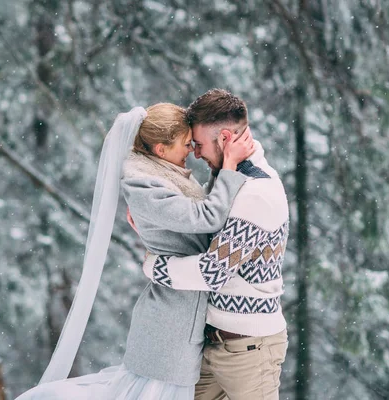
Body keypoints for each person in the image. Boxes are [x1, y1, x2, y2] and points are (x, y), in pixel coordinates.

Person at [15, 103, 254, 400]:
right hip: (168, 328)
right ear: (161, 150)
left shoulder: (167, 176)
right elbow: (207, 217)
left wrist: (221, 168)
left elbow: (202, 212)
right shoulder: (147, 187)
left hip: (178, 320)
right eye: (185, 144)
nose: (192, 151)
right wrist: (228, 166)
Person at [142, 90, 290, 400]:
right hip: (213, 343)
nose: (194, 154)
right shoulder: (229, 178)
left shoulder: (257, 194)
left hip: (250, 350)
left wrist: (155, 266)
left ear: (224, 138)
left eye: (198, 144)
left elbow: (212, 272)